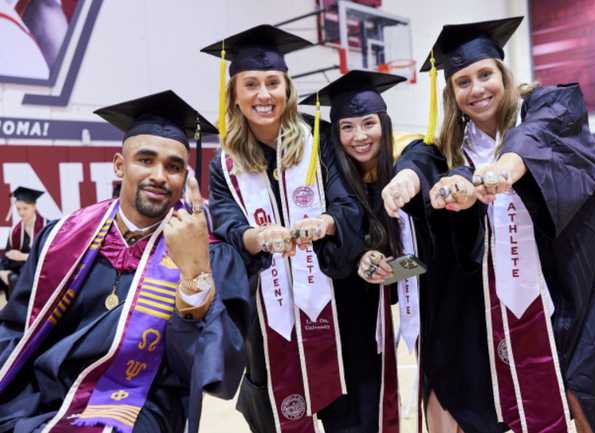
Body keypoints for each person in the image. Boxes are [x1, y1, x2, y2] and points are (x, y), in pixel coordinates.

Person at [382, 16, 595, 433]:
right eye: (462, 82)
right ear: (451, 94)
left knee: (586, 394)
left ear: (503, 74)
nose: (476, 89)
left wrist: (502, 171)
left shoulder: (547, 107)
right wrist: (409, 178)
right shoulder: (454, 150)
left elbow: (536, 138)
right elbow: (423, 160)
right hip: (499, 306)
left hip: (574, 292)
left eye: (484, 74)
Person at [0, 90, 247, 433]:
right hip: (40, 393)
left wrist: (195, 276)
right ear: (119, 165)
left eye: (174, 166)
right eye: (146, 160)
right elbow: (15, 327)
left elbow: (216, 368)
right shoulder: (63, 236)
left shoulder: (209, 253)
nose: (160, 175)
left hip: (139, 403)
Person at [205, 25, 364, 433]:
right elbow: (227, 224)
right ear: (235, 94)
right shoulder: (223, 165)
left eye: (273, 83)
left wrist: (324, 223)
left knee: (346, 414)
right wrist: (258, 238)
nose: (264, 94)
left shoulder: (319, 139)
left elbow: (348, 204)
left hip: (331, 302)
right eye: (251, 84)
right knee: (281, 416)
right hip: (267, 315)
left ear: (287, 88)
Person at [300, 70, 410, 433]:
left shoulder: (404, 176)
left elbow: (424, 257)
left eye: (368, 123)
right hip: (332, 316)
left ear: (384, 123)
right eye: (346, 127)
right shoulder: (329, 183)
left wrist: (388, 271)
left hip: (378, 319)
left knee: (378, 410)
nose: (359, 136)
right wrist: (358, 260)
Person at [0, 187, 46, 297]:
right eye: (18, 209)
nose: (21, 213)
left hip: (41, 272)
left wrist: (24, 256)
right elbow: (7, 258)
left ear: (34, 207)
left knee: (17, 280)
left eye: (25, 208)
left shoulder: (46, 227)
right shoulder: (15, 231)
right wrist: (2, 272)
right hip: (20, 271)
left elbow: (51, 256)